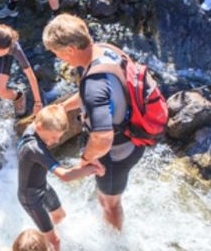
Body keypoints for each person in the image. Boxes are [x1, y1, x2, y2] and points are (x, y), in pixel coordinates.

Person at [42, 14, 144, 231]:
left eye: (57, 53)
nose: (60, 58)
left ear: (70, 49)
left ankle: (116, 241)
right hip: (133, 128)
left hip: (118, 151)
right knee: (108, 192)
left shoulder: (94, 85)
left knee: (109, 203)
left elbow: (102, 137)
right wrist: (63, 107)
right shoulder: (105, 51)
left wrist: (85, 160)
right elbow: (102, 94)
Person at [17, 104, 101, 250]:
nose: (56, 141)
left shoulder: (36, 125)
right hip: (30, 198)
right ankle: (44, 240)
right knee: (55, 241)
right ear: (39, 128)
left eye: (59, 137)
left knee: (60, 216)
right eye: (54, 137)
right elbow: (65, 176)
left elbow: (47, 112)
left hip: (42, 186)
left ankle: (44, 233)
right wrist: (91, 168)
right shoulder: (35, 149)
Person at [0, 24, 42, 117]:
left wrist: (38, 102)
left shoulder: (15, 49)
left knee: (1, 92)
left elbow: (31, 76)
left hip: (7, 57)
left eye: (1, 52)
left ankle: (19, 96)